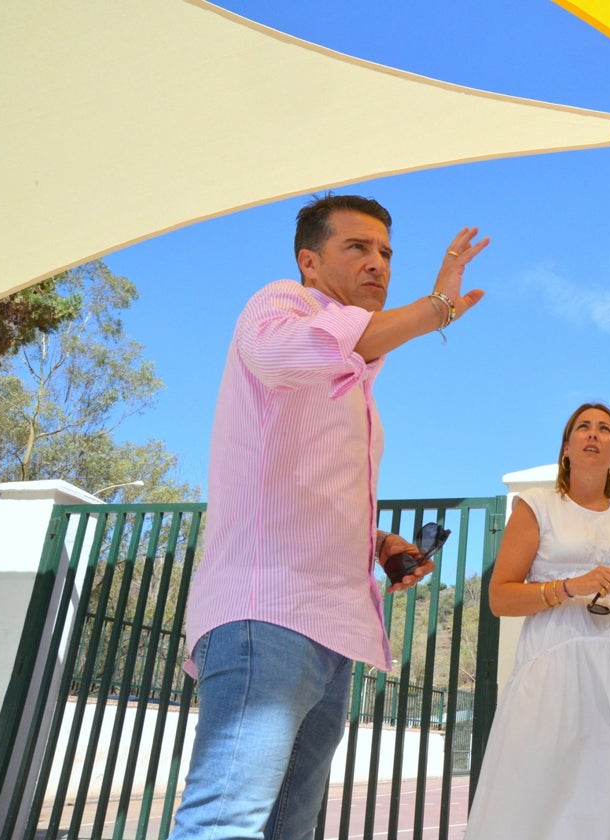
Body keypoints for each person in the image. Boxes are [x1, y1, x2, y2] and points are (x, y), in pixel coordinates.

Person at [170, 194, 488, 839]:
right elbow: (292, 355)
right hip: (268, 613)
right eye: (358, 248)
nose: (379, 263)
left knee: (289, 828)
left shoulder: (359, 370)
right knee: (226, 822)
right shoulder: (280, 304)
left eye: (386, 252)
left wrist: (376, 541)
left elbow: (299, 484)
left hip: (335, 631)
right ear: (309, 262)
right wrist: (439, 307)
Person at [464, 402, 610, 840]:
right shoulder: (536, 508)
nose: (593, 433)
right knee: (536, 794)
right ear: (566, 448)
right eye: (583, 427)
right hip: (551, 669)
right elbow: (500, 598)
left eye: (605, 429)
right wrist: (573, 586)